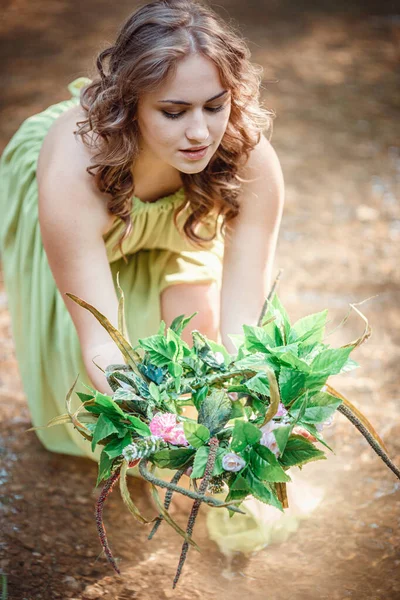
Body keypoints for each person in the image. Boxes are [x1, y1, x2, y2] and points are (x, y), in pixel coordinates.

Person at [0, 0, 323, 557]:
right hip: (89, 210)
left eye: (214, 106)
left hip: (182, 219)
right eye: (173, 111)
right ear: (130, 107)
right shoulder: (76, 171)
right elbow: (100, 339)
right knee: (108, 383)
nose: (200, 132)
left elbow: (245, 322)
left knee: (203, 332)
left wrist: (251, 413)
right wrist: (160, 435)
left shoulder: (248, 158)